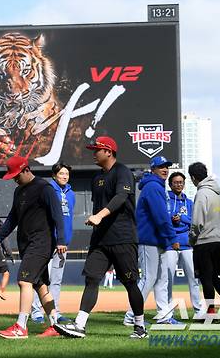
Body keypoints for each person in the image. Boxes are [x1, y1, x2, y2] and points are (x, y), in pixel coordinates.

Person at [55, 136, 147, 339]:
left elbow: (121, 198)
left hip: (123, 237)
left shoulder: (123, 172)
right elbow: (98, 206)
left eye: (97, 150)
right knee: (92, 279)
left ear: (108, 151)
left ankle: (140, 327)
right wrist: (96, 220)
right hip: (100, 240)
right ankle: (79, 325)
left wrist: (99, 215)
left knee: (130, 283)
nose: (93, 153)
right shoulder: (96, 178)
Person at [0, 156, 68, 339]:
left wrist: (62, 241)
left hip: (41, 243)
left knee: (24, 280)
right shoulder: (19, 192)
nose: (15, 179)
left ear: (26, 170)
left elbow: (58, 215)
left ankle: (21, 326)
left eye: (16, 175)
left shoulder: (44, 188)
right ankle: (56, 326)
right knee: (40, 285)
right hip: (27, 245)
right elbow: (12, 218)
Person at [123, 156, 180, 327]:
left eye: (167, 166)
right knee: (148, 278)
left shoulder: (157, 186)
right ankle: (131, 315)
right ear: (153, 169)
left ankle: (164, 314)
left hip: (158, 240)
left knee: (162, 279)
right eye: (161, 166)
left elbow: (162, 216)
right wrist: (172, 237)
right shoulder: (153, 187)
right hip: (149, 240)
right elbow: (160, 217)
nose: (165, 169)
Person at [188, 162, 220, 318]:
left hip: (204, 241)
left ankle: (210, 311)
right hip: (216, 240)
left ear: (193, 177)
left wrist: (192, 238)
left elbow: (197, 221)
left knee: (206, 277)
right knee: (215, 277)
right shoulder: (215, 192)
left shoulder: (202, 193)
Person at [30, 162, 75, 324]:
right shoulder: (48, 190)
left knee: (56, 280)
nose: (64, 176)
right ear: (54, 175)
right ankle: (36, 311)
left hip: (64, 243)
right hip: (48, 241)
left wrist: (65, 240)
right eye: (61, 173)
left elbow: (68, 219)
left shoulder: (71, 193)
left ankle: (55, 311)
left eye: (66, 174)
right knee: (41, 279)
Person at [164, 172, 203, 318]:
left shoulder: (189, 202)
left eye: (181, 182)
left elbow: (194, 221)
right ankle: (168, 312)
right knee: (168, 280)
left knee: (193, 279)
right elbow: (161, 219)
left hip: (187, 245)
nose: (179, 185)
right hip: (169, 245)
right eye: (176, 182)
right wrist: (171, 219)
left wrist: (182, 218)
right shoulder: (165, 200)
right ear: (170, 184)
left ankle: (199, 311)